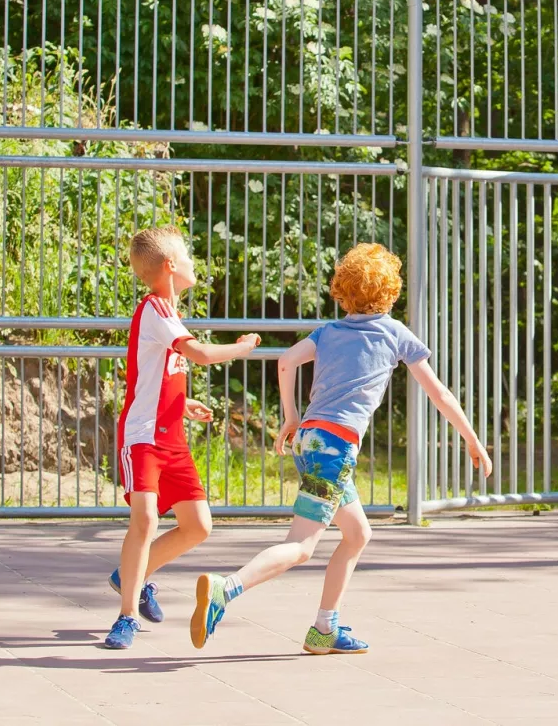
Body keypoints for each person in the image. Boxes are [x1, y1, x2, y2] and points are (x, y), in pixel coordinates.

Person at [190, 242, 492, 654]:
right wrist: (473, 440)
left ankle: (324, 630)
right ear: (391, 292)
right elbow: (438, 394)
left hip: (312, 440)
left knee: (357, 533)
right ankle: (227, 588)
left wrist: (292, 417)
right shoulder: (394, 332)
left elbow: (286, 361)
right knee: (301, 546)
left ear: (341, 289)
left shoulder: (327, 332)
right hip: (336, 447)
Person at [103, 226, 261, 651]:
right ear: (171, 266)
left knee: (198, 526)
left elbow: (157, 372)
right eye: (188, 256)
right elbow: (202, 355)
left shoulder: (169, 313)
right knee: (147, 519)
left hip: (170, 434)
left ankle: (130, 576)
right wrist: (243, 346)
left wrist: (183, 402)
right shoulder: (154, 308)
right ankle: (126, 615)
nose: (193, 262)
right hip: (142, 437)